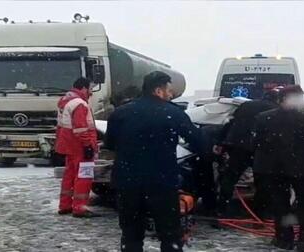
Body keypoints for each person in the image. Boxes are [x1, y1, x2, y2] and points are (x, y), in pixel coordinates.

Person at [105, 71, 204, 252]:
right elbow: (197, 140)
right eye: (169, 90)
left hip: (128, 181)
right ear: (158, 91)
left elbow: (110, 143)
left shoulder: (121, 113)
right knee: (169, 233)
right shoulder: (173, 113)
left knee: (131, 233)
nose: (171, 94)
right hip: (162, 182)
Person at [253, 85, 304, 252]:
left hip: (273, 168)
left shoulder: (264, 118)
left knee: (280, 203)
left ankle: (283, 238)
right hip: (302, 168)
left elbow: (257, 144)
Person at [216, 88, 280, 216]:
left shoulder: (246, 105)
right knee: (262, 181)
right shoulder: (275, 110)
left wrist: (221, 142)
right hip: (260, 149)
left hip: (239, 147)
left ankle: (221, 209)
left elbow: (231, 123)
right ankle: (260, 213)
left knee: (230, 178)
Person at [55, 77, 99, 218]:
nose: (90, 93)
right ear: (84, 88)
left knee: (69, 175)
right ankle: (80, 207)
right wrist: (88, 145)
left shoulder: (65, 101)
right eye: (90, 89)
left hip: (68, 145)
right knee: (84, 175)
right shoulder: (79, 104)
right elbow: (81, 129)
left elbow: (61, 126)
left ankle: (65, 205)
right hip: (79, 145)